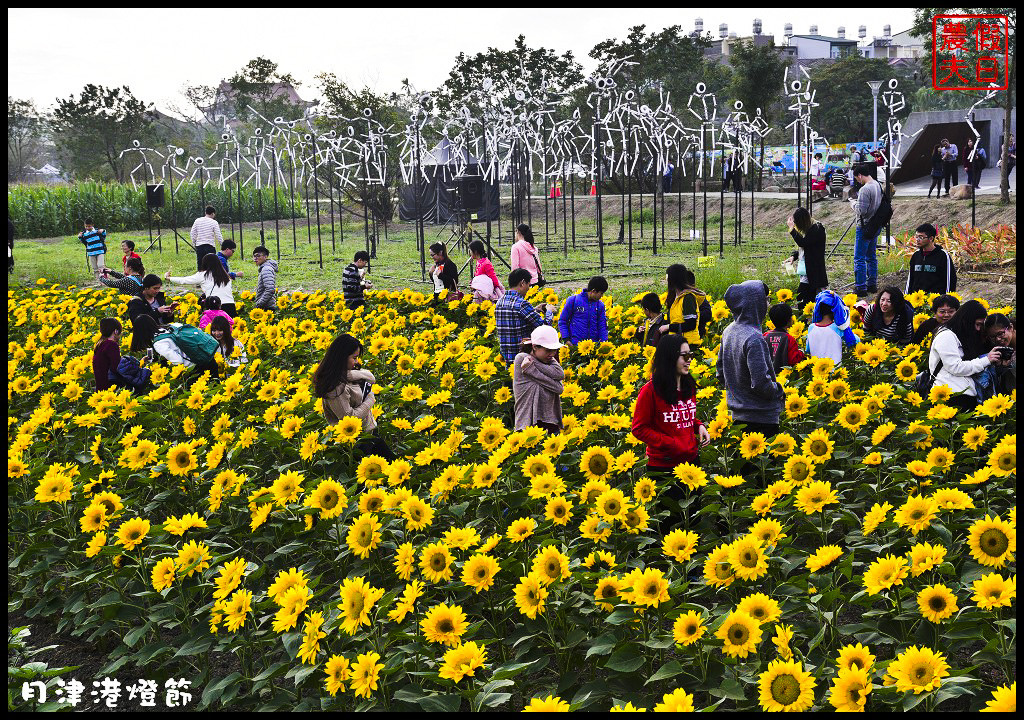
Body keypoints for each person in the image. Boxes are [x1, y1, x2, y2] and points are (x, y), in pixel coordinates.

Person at [631, 334, 710, 513]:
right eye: (684, 356)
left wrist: (699, 426)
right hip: (664, 467)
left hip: (691, 462)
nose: (689, 360)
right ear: (670, 357)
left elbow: (685, 416)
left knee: (694, 518)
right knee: (670, 524)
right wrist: (671, 443)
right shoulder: (650, 391)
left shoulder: (689, 385)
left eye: (690, 355)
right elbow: (639, 428)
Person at [716, 280, 785, 438]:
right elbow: (761, 383)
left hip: (738, 415)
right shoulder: (754, 338)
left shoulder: (728, 331)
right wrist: (779, 392)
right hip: (761, 418)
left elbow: (720, 374)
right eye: (766, 299)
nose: (767, 304)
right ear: (756, 302)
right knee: (763, 462)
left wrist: (738, 392)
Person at [314, 333, 394, 460]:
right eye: (354, 358)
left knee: (393, 466)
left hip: (369, 433)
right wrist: (370, 400)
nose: (357, 362)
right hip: (356, 443)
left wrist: (349, 375)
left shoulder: (348, 374)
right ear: (341, 358)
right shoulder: (335, 388)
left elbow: (371, 378)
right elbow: (349, 418)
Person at [928, 300, 1001, 411]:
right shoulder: (946, 336)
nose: (978, 329)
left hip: (963, 394)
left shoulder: (960, 335)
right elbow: (956, 367)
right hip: (950, 396)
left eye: (981, 325)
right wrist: (986, 360)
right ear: (966, 320)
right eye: (977, 324)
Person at [495, 268, 556, 364]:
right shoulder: (521, 304)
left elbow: (515, 317)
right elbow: (544, 327)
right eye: (528, 284)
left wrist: (534, 310)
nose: (528, 288)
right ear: (522, 283)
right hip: (523, 358)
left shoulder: (499, 302)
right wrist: (549, 311)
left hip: (507, 357)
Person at [513, 325, 565, 433]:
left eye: (554, 350)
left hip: (550, 422)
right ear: (535, 347)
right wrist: (535, 370)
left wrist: (531, 369)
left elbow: (560, 375)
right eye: (547, 350)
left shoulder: (545, 360)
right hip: (528, 423)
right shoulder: (521, 358)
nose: (552, 354)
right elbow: (558, 387)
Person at [165, 253, 236, 317]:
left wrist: (168, 278)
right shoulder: (226, 276)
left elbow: (184, 280)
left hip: (216, 306)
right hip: (231, 306)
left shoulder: (203, 275)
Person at [851, 163, 882, 297]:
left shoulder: (865, 189)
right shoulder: (877, 185)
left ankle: (861, 287)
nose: (857, 181)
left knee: (859, 258)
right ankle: (872, 284)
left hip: (864, 226)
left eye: (856, 178)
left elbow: (861, 211)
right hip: (875, 225)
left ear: (860, 175)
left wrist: (852, 204)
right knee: (871, 257)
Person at [660, 264, 711, 346]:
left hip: (688, 344)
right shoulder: (675, 297)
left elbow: (691, 324)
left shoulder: (688, 298)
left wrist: (668, 327)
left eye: (667, 277)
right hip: (677, 342)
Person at [787, 207, 827, 305]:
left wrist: (792, 230)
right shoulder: (809, 228)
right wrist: (794, 256)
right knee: (808, 300)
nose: (797, 226)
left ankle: (804, 318)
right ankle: (807, 317)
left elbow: (804, 243)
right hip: (806, 269)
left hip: (813, 270)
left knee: (803, 298)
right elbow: (805, 248)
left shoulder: (817, 228)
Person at [906, 223, 957, 295]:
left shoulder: (943, 255)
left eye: (921, 237)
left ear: (931, 238)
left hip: (936, 302)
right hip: (917, 301)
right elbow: (910, 280)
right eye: (916, 237)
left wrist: (946, 301)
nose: (917, 240)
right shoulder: (916, 255)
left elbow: (950, 281)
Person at [557, 276, 608, 346]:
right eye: (601, 293)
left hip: (593, 346)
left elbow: (602, 326)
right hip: (575, 345)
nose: (602, 296)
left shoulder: (600, 305)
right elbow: (562, 321)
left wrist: (604, 343)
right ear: (593, 291)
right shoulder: (573, 301)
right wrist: (566, 339)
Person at [764, 303, 806, 371]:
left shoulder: (765, 336)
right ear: (789, 320)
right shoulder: (789, 339)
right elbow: (793, 360)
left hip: (768, 374)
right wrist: (801, 353)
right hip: (784, 376)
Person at [984, 313, 1016, 393]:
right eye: (993, 337)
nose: (998, 339)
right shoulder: (999, 350)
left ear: (1010, 327)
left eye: (1000, 333)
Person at [92, 318, 122, 392]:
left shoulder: (99, 345)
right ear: (116, 331)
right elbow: (117, 368)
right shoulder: (111, 345)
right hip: (110, 390)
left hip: (100, 389)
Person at [190, 205, 223, 271]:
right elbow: (218, 235)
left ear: (205, 212)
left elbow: (192, 233)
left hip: (199, 246)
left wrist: (194, 243)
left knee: (200, 265)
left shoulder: (197, 221)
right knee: (211, 266)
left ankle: (200, 279)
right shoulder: (214, 222)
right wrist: (222, 244)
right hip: (210, 246)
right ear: (213, 213)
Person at [252, 246, 278, 311]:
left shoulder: (266, 269)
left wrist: (259, 304)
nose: (255, 258)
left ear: (265, 257)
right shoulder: (264, 268)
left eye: (258, 256)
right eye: (254, 256)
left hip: (267, 308)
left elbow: (270, 289)